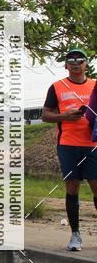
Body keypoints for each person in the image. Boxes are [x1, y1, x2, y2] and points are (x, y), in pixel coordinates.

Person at [42, 48, 97, 251]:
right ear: (66, 65)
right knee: (72, 186)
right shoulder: (57, 87)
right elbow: (45, 115)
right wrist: (65, 116)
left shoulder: (95, 85)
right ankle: (75, 235)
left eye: (80, 60)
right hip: (68, 144)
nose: (75, 63)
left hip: (93, 145)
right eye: (71, 60)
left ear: (86, 64)